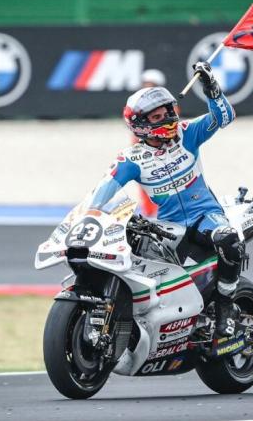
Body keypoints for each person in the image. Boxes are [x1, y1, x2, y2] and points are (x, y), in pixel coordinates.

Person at [90, 62, 244, 337]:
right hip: (168, 225)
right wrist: (90, 216)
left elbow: (225, 117)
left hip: (206, 215)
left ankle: (225, 306)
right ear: (140, 124)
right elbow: (104, 189)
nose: (168, 118)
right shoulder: (132, 158)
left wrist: (211, 88)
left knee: (228, 239)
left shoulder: (187, 133)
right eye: (157, 116)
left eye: (168, 111)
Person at [133, 69, 167, 218]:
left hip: (162, 153)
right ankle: (150, 213)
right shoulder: (137, 106)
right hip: (142, 152)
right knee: (144, 183)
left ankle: (161, 214)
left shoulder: (167, 107)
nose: (146, 88)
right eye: (144, 84)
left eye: (150, 85)